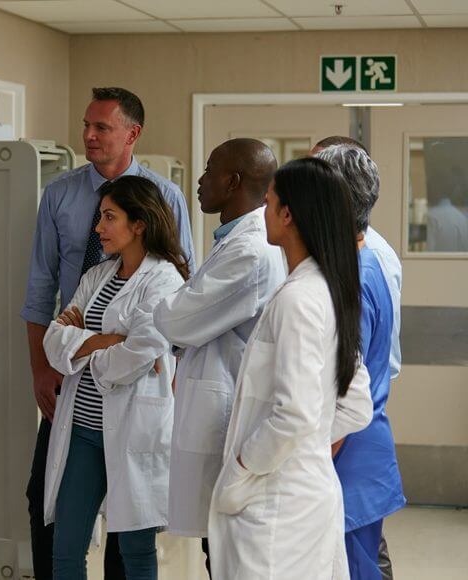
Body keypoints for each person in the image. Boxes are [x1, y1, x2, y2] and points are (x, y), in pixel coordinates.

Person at [21, 87, 194, 579]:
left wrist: (85, 345)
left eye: (101, 127)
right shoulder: (61, 197)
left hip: (134, 405)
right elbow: (45, 299)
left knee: (130, 535)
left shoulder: (166, 202)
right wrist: (47, 363)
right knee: (50, 510)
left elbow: (167, 325)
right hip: (75, 401)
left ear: (132, 133)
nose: (89, 136)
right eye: (86, 125)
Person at [208, 157, 373, 579]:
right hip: (308, 496)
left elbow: (295, 413)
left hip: (277, 507)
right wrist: (309, 444)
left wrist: (243, 466)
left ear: (288, 215)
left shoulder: (297, 300)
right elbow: (356, 406)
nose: (261, 212)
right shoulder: (327, 289)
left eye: (268, 202)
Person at [42, 175, 187, 579]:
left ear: (138, 224)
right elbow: (54, 342)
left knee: (135, 550)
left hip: (134, 428)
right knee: (66, 548)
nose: (98, 228)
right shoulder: (97, 275)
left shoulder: (165, 280)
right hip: (84, 430)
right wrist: (110, 341)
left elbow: (138, 354)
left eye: (109, 217)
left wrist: (83, 344)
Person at [153, 138, 286, 575]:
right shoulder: (235, 240)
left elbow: (176, 320)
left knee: (225, 553)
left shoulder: (250, 249)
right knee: (219, 550)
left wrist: (165, 308)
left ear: (233, 182)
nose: (200, 180)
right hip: (218, 408)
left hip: (227, 419)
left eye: (210, 171)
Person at [311, 136, 403, 580]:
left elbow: (346, 393)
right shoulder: (355, 264)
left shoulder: (356, 277)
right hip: (357, 456)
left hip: (348, 459)